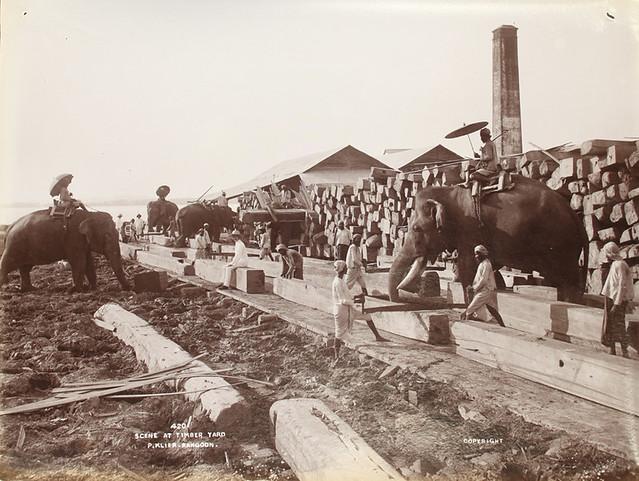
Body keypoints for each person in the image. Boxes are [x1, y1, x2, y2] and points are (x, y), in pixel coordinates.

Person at [331, 260, 388, 360]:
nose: (347, 269)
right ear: (342, 269)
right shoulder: (338, 283)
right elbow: (342, 300)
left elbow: (346, 296)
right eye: (345, 268)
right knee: (339, 333)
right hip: (341, 311)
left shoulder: (341, 280)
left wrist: (356, 297)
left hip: (348, 309)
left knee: (367, 316)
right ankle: (336, 356)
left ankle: (378, 336)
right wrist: (356, 302)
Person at [600, 242, 633, 358]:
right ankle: (612, 348)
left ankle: (624, 351)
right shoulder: (615, 264)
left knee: (619, 324)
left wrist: (617, 303)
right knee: (610, 324)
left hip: (616, 300)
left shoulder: (620, 265)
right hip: (611, 297)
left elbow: (622, 285)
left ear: (610, 253)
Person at [462, 245, 505, 326]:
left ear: (482, 254)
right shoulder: (483, 264)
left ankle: (467, 326)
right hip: (485, 290)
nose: (476, 256)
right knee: (492, 310)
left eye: (477, 254)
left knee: (470, 310)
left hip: (485, 290)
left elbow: (483, 280)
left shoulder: (486, 264)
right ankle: (502, 325)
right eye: (475, 254)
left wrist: (474, 288)